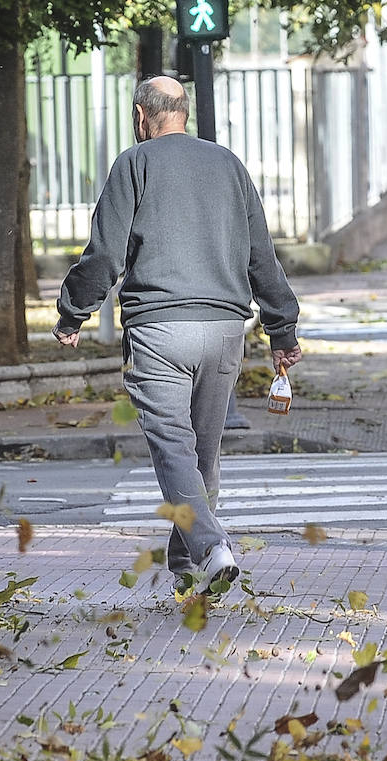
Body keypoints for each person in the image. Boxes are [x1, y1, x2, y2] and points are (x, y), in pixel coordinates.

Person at [53, 75, 302, 593]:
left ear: (142, 116)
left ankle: (210, 548)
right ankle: (187, 567)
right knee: (201, 454)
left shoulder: (134, 163)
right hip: (224, 330)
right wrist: (282, 329)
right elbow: (262, 253)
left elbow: (104, 253)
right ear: (183, 112)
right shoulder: (229, 164)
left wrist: (74, 311)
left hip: (159, 331)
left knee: (174, 450)